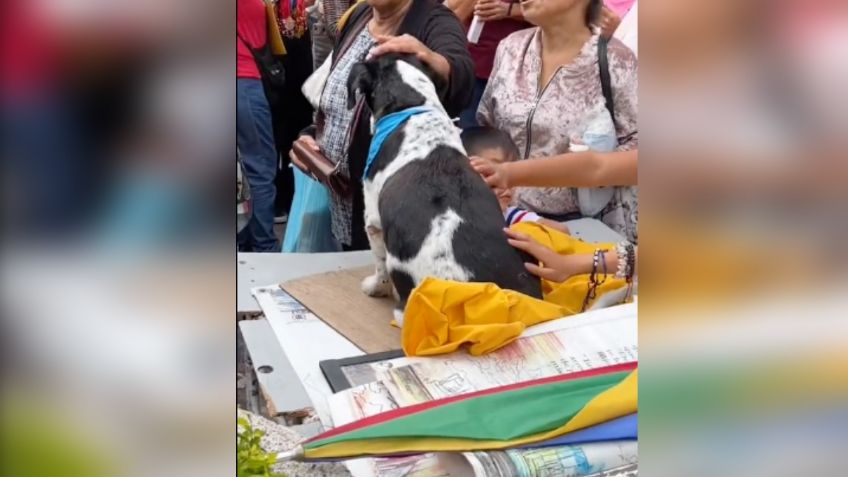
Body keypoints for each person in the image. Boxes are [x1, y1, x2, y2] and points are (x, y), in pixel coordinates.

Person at [290, 0, 474, 250]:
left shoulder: (434, 19)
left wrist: (431, 59)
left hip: (391, 204)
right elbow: (335, 96)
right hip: (338, 195)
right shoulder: (358, 16)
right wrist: (312, 135)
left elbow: (459, 73)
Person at [477, 0, 638, 241]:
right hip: (505, 221)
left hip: (581, 230)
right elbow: (487, 128)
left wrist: (513, 173)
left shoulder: (617, 60)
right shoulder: (511, 48)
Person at [461, 127, 570, 233]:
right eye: (490, 173)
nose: (504, 185)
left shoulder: (510, 216)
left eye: (510, 177)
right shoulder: (452, 218)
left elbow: (562, 231)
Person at [237, 0, 279, 252]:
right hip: (244, 83)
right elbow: (263, 38)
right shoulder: (253, 4)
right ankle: (264, 246)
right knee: (259, 167)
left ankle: (239, 240)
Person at [457, 0, 530, 129]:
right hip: (475, 65)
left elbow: (554, 11)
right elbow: (449, 12)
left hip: (518, 69)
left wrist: (510, 10)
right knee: (472, 134)